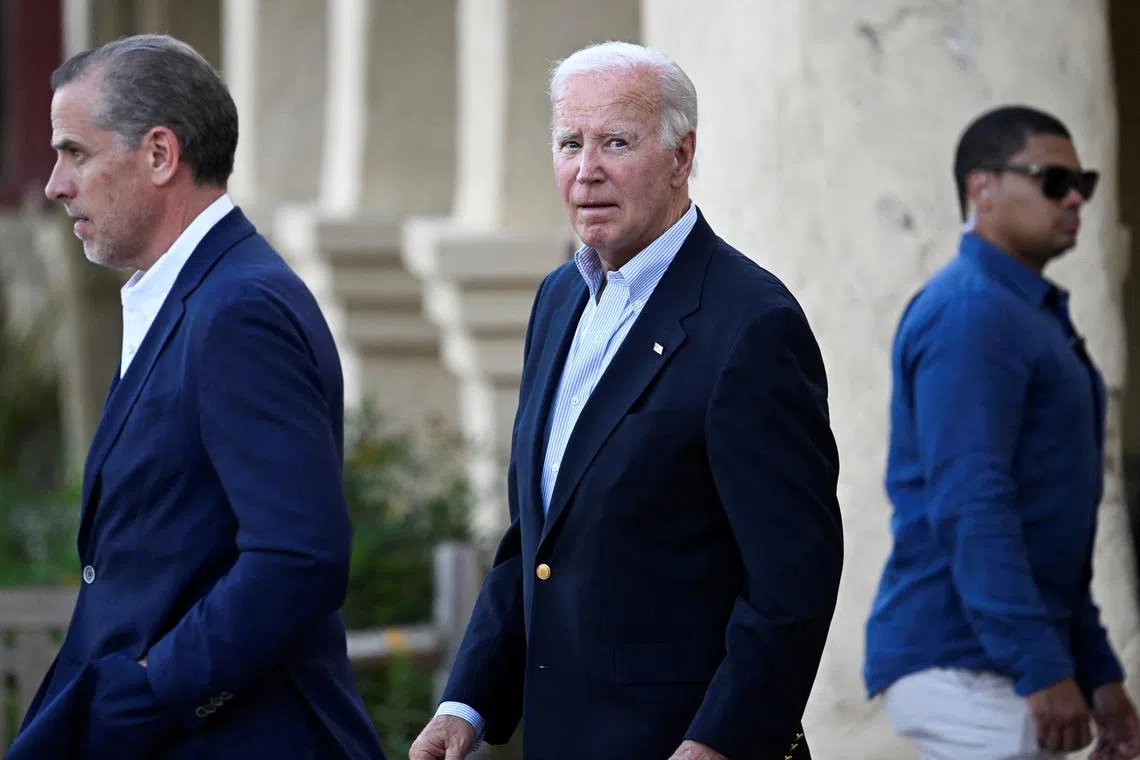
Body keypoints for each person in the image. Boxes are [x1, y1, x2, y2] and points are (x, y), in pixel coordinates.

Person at [409, 41, 844, 760]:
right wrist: (467, 704)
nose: (587, 170)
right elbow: (537, 540)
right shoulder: (559, 299)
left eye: (616, 142)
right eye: (569, 144)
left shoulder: (752, 324)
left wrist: (719, 742)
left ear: (681, 156)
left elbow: (794, 578)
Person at [7, 34, 386, 759]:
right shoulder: (194, 294)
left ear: (159, 154)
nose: (55, 184)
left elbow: (299, 556)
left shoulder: (238, 307)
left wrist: (152, 692)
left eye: (75, 153)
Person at [864, 105, 1140, 760]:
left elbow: (1051, 526)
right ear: (981, 188)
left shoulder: (1022, 311)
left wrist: (1096, 670)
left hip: (1000, 662)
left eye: (1083, 183)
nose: (1074, 198)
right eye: (1053, 181)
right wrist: (1039, 664)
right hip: (968, 665)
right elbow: (972, 501)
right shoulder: (971, 311)